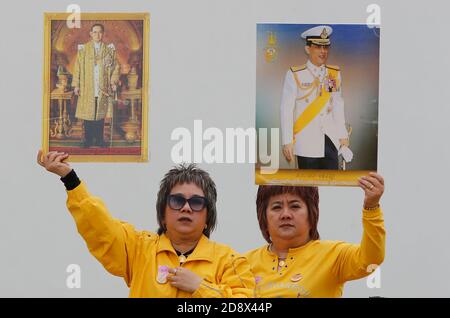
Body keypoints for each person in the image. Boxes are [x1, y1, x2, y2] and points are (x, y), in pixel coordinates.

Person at [37, 150, 254, 297]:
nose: (186, 208)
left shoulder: (231, 261)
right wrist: (70, 178)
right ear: (162, 214)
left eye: (196, 202)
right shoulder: (139, 249)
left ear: (208, 218)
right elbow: (99, 227)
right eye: (177, 200)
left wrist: (200, 287)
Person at [245, 172, 385, 297]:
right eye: (276, 207)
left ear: (311, 214)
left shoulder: (334, 256)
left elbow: (371, 260)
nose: (285, 214)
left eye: (295, 206)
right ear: (263, 216)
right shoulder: (242, 264)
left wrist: (371, 207)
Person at [280, 25, 351, 170]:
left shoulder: (333, 74)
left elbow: (337, 105)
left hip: (331, 139)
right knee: (308, 188)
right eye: (318, 47)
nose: (323, 51)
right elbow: (286, 109)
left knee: (332, 184)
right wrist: (287, 140)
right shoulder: (295, 74)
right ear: (308, 49)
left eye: (326, 47)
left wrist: (343, 137)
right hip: (306, 141)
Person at [72, 23, 120, 148]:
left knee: (100, 114)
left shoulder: (109, 50)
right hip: (87, 86)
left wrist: (113, 82)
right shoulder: (83, 50)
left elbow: (116, 67)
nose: (97, 34)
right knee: (88, 114)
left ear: (103, 34)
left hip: (103, 87)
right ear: (90, 34)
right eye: (94, 32)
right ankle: (88, 140)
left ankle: (99, 140)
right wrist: (76, 85)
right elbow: (77, 68)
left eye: (99, 32)